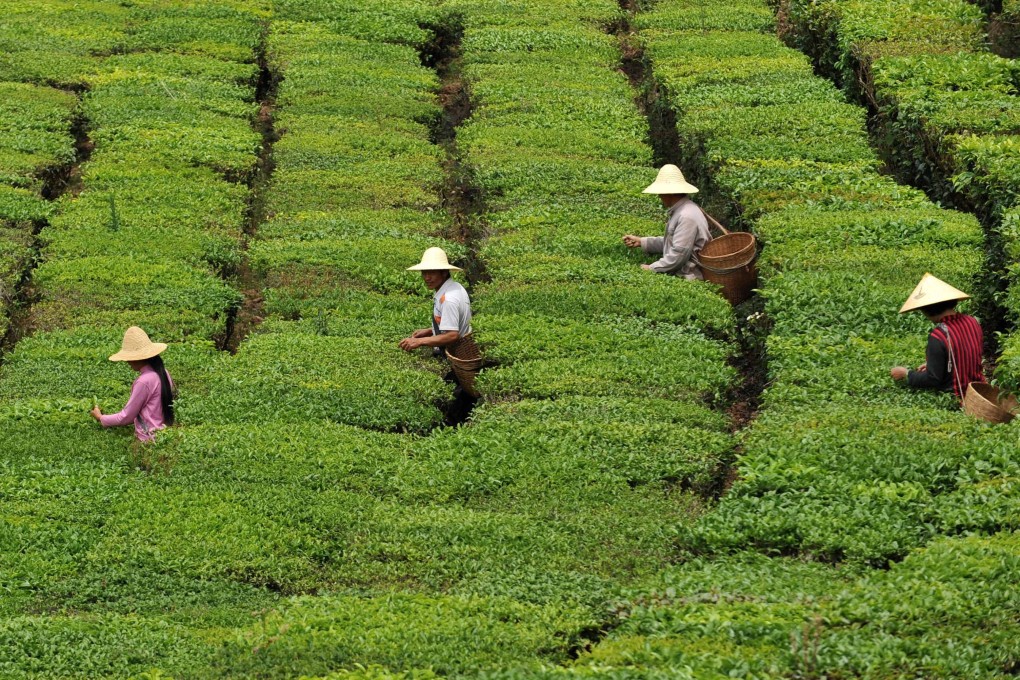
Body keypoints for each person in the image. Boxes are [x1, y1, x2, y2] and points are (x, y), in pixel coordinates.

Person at [399, 247, 477, 422]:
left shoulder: (447, 299)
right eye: (425, 272)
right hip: (460, 353)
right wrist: (430, 330)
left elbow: (452, 335)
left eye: (432, 272)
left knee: (455, 405)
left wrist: (419, 342)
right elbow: (451, 322)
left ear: (443, 272)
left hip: (457, 355)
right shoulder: (455, 288)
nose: (427, 277)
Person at [891, 273, 986, 400]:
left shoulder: (939, 335)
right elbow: (967, 353)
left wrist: (907, 374)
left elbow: (932, 379)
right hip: (979, 392)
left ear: (926, 309)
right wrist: (938, 363)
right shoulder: (972, 321)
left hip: (957, 397)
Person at [623, 164, 712, 280]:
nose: (659, 196)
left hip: (689, 277)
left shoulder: (686, 216)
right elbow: (674, 243)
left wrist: (651, 268)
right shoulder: (683, 210)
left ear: (669, 193)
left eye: (660, 192)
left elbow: (678, 255)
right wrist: (642, 242)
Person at [90, 326, 175, 442]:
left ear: (137, 358)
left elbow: (126, 417)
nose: (127, 362)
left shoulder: (143, 381)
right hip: (165, 434)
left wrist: (101, 417)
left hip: (148, 438)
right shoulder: (163, 372)